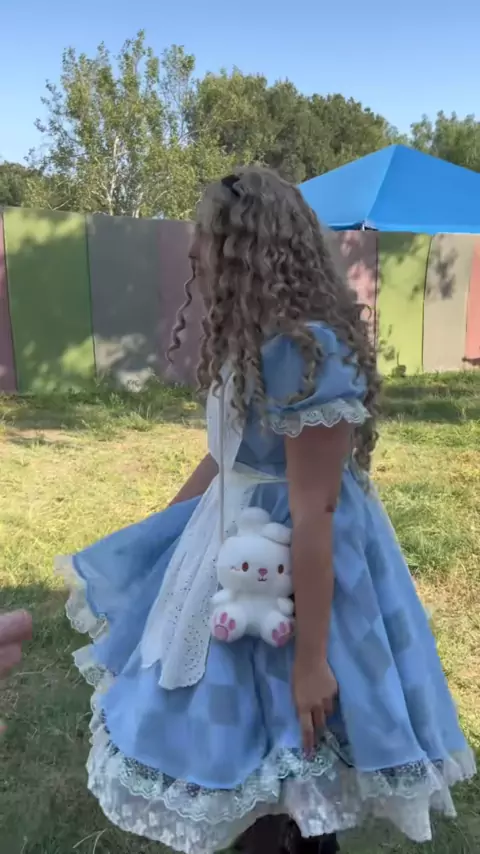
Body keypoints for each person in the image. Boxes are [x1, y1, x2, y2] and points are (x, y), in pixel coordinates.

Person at [57, 168, 475, 854]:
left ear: (248, 252)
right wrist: (155, 548)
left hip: (294, 565)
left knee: (294, 739)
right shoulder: (251, 342)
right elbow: (225, 458)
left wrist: (311, 660)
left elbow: (316, 513)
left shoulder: (309, 354)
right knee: (242, 748)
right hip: (224, 546)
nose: (197, 256)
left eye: (209, 244)